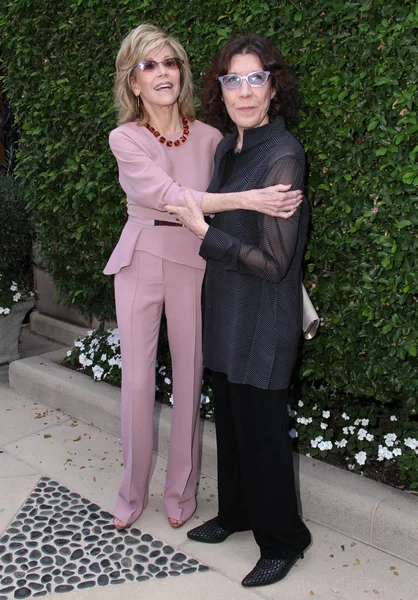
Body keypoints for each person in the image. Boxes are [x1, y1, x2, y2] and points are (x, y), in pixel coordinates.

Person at [104, 24, 303, 532]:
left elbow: (233, 220)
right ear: (134, 82)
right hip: (142, 257)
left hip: (198, 262)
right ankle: (131, 494)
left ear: (183, 72)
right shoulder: (125, 138)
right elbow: (170, 195)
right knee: (137, 382)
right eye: (149, 65)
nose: (162, 73)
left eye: (169, 62)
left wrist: (244, 209)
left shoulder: (214, 138)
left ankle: (182, 493)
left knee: (193, 380)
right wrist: (249, 198)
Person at [166, 34, 312, 587]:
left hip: (264, 315)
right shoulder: (231, 147)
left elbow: (275, 264)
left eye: (256, 78)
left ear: (273, 88)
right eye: (233, 79)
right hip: (226, 305)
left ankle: (284, 538)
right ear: (220, 89)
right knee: (230, 417)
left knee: (263, 429)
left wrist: (204, 231)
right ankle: (237, 514)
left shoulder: (282, 154)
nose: (244, 91)